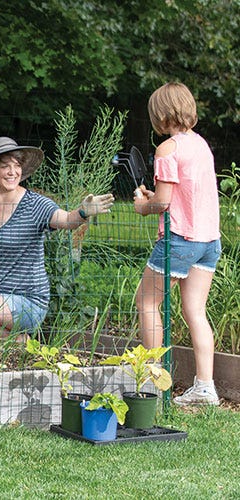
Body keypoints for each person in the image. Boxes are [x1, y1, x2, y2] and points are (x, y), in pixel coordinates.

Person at [0, 137, 114, 340]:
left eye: (17, 166)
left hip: (27, 301)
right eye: (5, 166)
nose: (12, 172)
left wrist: (82, 212)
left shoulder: (35, 205)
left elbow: (65, 220)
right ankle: (18, 341)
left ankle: (15, 338)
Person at [134, 82, 221, 406]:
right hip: (209, 240)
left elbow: (163, 203)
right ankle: (205, 387)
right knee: (195, 310)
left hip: (181, 239)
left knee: (147, 302)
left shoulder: (167, 149)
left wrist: (144, 205)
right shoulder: (201, 145)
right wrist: (154, 197)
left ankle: (152, 383)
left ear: (159, 113)